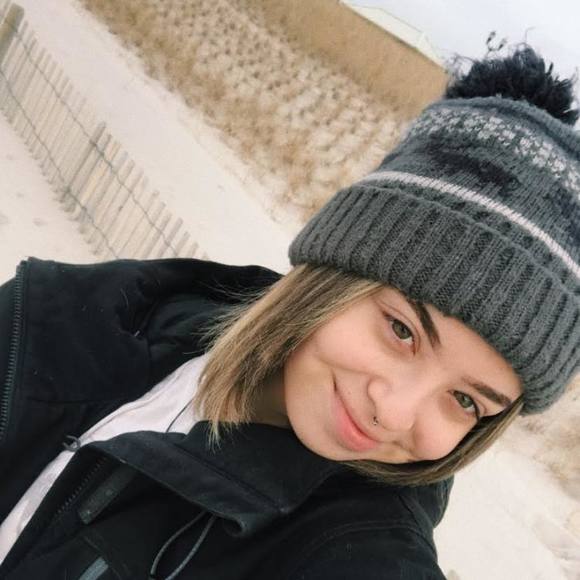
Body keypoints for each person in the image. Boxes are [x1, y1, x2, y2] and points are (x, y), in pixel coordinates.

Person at [0, 46, 578, 579]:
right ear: (333, 274)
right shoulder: (85, 309)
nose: (394, 413)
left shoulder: (363, 551)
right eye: (402, 330)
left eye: (466, 401)